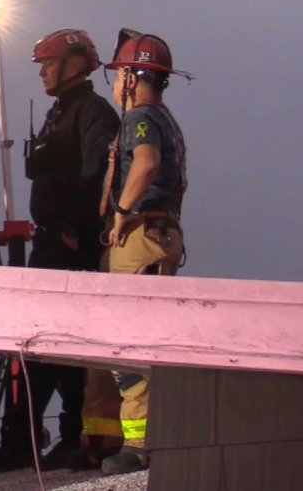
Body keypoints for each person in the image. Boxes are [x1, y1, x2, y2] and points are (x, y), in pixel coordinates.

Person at [0, 29, 121, 474]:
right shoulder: (63, 112)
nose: (43, 73)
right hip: (51, 243)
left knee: (65, 347)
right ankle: (31, 439)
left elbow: (98, 175)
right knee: (38, 345)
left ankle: (59, 438)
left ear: (75, 63)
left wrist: (77, 228)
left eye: (49, 63)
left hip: (70, 247)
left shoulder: (93, 112)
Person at [99, 29, 190, 476]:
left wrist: (120, 211)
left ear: (133, 78)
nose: (114, 85)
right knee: (146, 341)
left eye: (118, 75)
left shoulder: (140, 119)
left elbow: (146, 162)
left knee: (131, 347)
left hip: (140, 237)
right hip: (160, 235)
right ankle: (150, 440)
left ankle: (139, 447)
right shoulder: (165, 117)